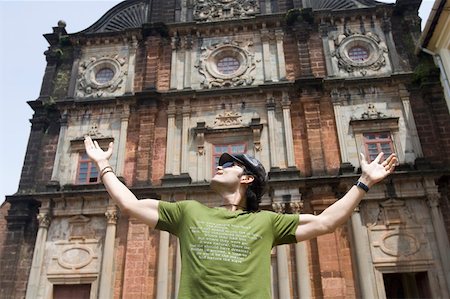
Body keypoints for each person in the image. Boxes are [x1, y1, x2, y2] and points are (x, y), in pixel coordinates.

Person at [84, 136, 397, 298]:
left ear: (247, 178)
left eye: (229, 163)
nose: (219, 164)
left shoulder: (266, 222)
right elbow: (129, 204)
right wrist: (102, 166)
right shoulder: (189, 212)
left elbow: (327, 221)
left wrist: (364, 182)